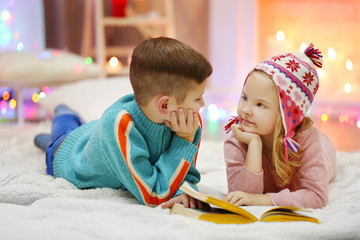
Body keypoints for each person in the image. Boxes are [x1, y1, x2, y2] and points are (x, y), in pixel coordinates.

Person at [34, 37, 213, 208]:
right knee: (59, 131)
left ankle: (64, 121)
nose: (202, 104)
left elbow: (184, 176)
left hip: (97, 136)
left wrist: (188, 192)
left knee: (81, 129)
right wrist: (184, 141)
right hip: (65, 152)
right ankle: (62, 112)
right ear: (165, 104)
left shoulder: (187, 124)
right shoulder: (118, 124)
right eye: (198, 98)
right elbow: (153, 193)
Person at [223, 44, 336, 209]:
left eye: (260, 104)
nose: (246, 110)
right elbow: (240, 195)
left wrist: (264, 200)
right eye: (245, 98)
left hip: (325, 151)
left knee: (323, 155)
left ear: (286, 113)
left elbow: (316, 196)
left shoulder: (309, 141)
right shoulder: (237, 139)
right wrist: (254, 145)